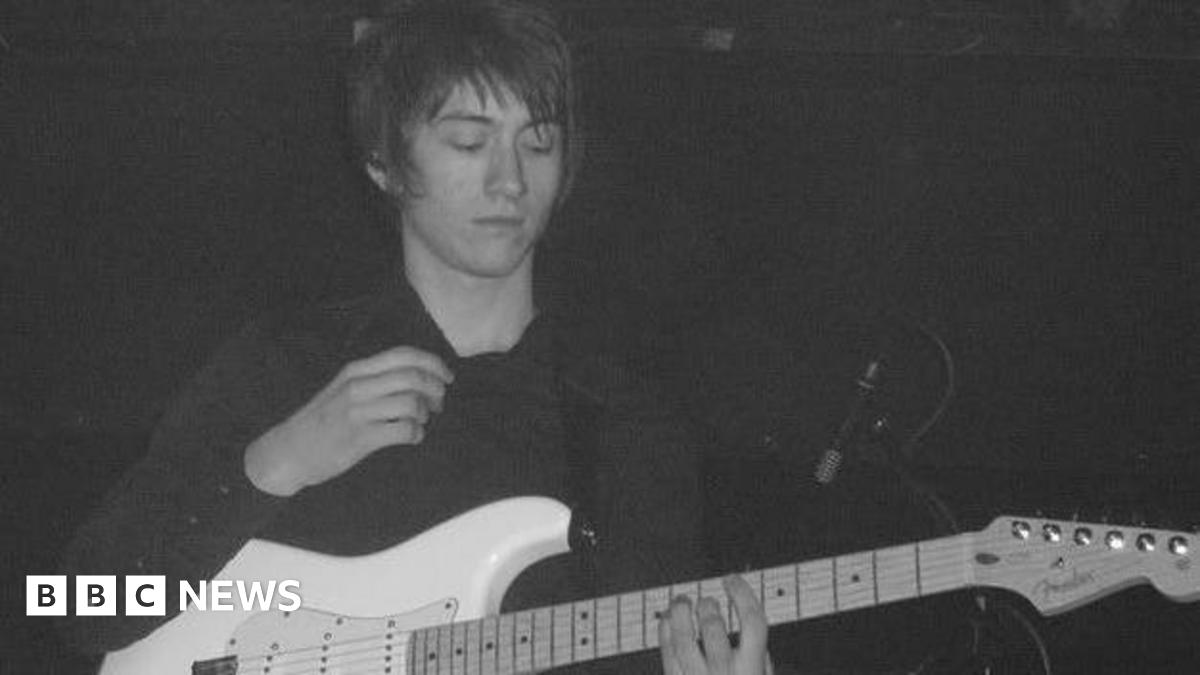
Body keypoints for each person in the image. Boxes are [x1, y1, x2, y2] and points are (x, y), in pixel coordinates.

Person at [57, 1, 773, 673]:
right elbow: (73, 605)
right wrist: (274, 464)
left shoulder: (629, 423)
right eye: (468, 140)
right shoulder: (286, 365)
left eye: (539, 142)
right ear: (384, 163)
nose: (510, 179)